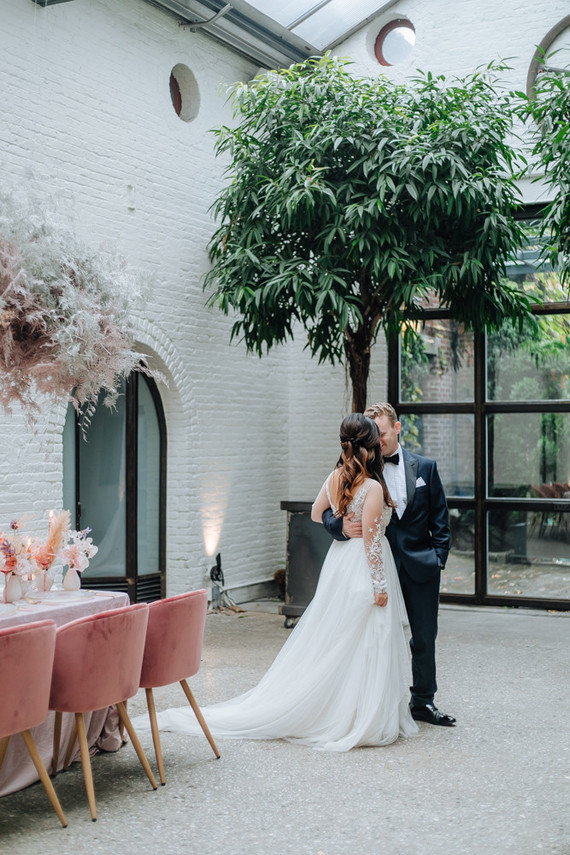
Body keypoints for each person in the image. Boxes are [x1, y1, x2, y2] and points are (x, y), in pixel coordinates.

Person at [135, 413, 418, 751]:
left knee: (340, 637)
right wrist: (380, 586)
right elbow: (372, 541)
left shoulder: (336, 477)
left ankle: (347, 706)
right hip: (362, 566)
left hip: (341, 564)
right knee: (367, 637)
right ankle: (359, 714)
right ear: (371, 447)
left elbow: (316, 513)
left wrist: (341, 520)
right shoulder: (371, 487)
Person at [322, 403, 455, 727]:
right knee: (376, 637)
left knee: (424, 637)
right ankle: (375, 706)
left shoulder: (425, 467)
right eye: (372, 435)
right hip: (373, 567)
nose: (377, 441)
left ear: (396, 429)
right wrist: (340, 528)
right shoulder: (359, 468)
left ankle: (423, 702)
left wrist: (438, 558)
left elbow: (441, 518)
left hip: (420, 566)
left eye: (381, 434)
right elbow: (327, 508)